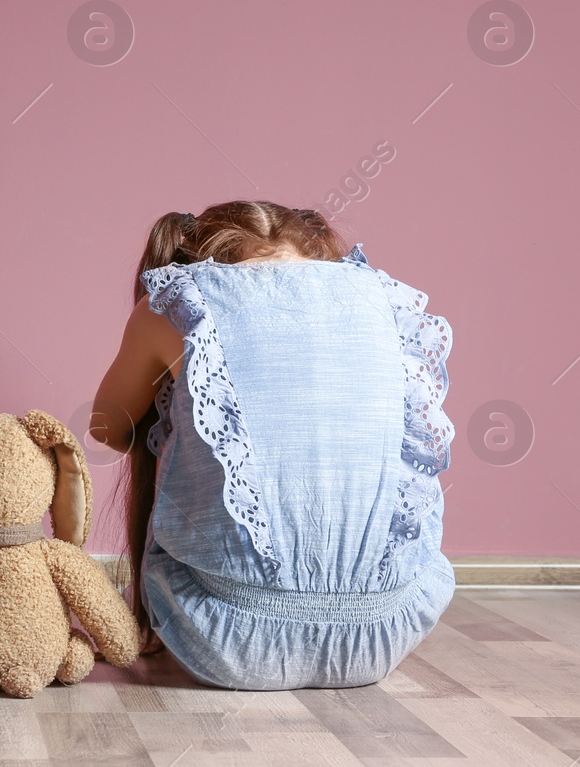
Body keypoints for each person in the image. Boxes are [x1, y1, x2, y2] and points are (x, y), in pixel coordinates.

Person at [87, 200, 455, 689]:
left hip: (221, 638)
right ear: (316, 252)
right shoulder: (390, 300)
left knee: (184, 424)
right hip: (384, 634)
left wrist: (189, 402)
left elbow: (107, 429)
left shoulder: (177, 300)